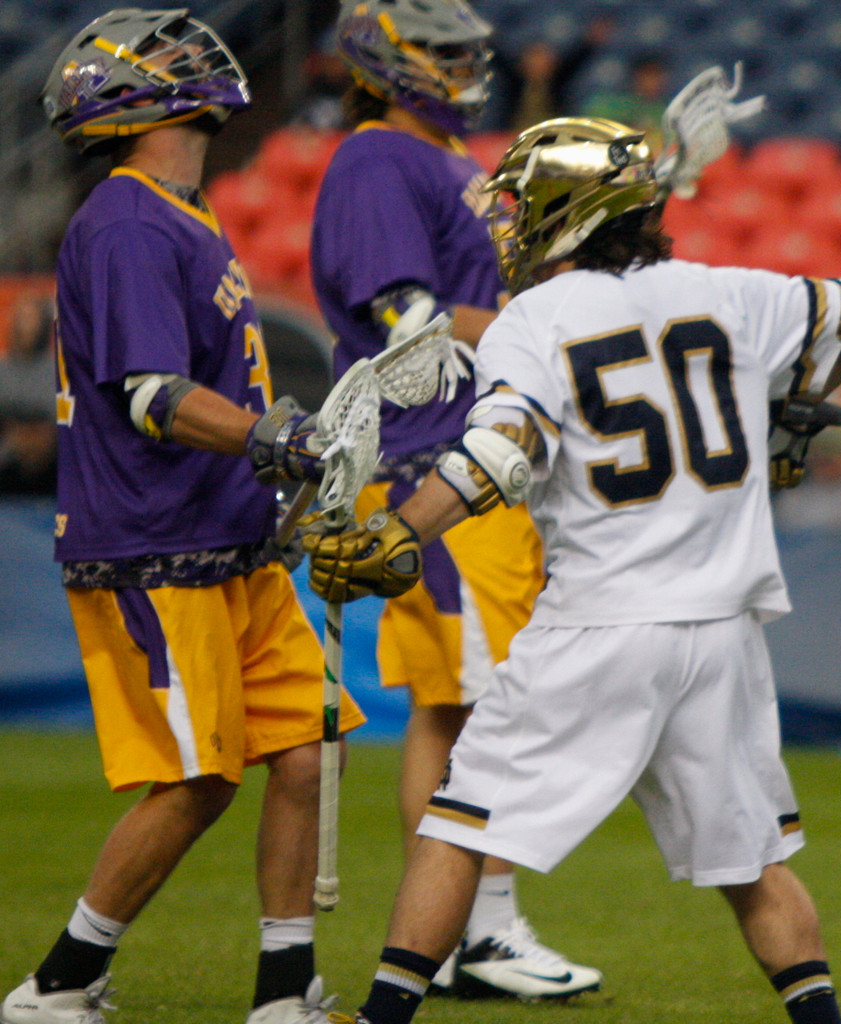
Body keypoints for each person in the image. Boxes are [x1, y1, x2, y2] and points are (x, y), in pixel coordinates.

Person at [301, 115, 841, 1024]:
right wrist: (788, 417)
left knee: (458, 826)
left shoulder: (534, 318)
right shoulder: (734, 293)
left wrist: (402, 530)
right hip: (725, 631)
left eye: (524, 205)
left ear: (565, 213)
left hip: (600, 621)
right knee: (753, 865)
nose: (509, 224)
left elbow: (500, 452)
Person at [0, 10, 365, 1024]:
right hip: (154, 543)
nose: (194, 56)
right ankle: (58, 983)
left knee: (304, 753)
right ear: (126, 100)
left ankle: (283, 995)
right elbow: (153, 397)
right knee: (199, 779)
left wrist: (278, 479)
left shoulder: (183, 212)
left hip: (228, 537)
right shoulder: (126, 222)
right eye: (166, 57)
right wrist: (277, 440)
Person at [308, 0, 602, 1001]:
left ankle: (460, 934)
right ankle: (479, 932)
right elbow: (412, 320)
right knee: (481, 701)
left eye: (461, 50)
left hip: (469, 458)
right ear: (381, 59)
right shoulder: (378, 158)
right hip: (432, 460)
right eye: (437, 50)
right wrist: (552, 324)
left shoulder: (440, 156)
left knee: (462, 702)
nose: (460, 65)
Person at [0, 292, 56, 494]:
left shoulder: (58, 373)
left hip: (51, 463)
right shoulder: (3, 370)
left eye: (33, 319)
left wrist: (41, 440)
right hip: (7, 458)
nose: (27, 326)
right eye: (23, 319)